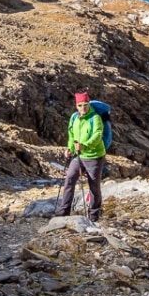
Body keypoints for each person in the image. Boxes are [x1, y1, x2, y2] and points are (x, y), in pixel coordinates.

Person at [56, 91, 106, 221]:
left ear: (89, 104)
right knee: (69, 180)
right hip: (78, 156)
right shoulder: (74, 117)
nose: (83, 108)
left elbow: (97, 135)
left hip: (94, 156)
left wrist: (85, 145)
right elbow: (72, 135)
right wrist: (69, 149)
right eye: (80, 105)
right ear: (76, 106)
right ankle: (63, 212)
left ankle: (93, 216)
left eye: (85, 104)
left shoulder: (95, 118)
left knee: (94, 186)